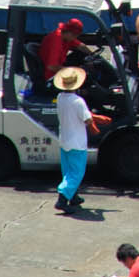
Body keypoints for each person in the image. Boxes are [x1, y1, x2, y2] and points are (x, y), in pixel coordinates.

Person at [52, 66, 93, 215]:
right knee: (76, 173)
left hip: (64, 140)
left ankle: (73, 196)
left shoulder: (60, 98)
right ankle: (62, 200)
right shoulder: (78, 101)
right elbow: (88, 120)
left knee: (67, 171)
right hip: (77, 142)